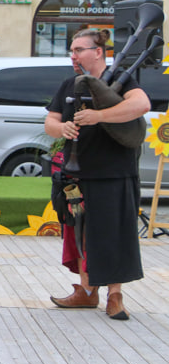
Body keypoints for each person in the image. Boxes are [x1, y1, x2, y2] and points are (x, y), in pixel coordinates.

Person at [45, 28, 149, 320]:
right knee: (79, 232)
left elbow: (141, 105)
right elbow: (50, 121)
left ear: (98, 52)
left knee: (112, 235)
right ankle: (87, 291)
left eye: (79, 49)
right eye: (72, 50)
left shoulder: (122, 80)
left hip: (115, 171)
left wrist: (99, 116)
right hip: (78, 172)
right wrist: (62, 128)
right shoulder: (70, 84)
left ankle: (114, 295)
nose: (73, 55)